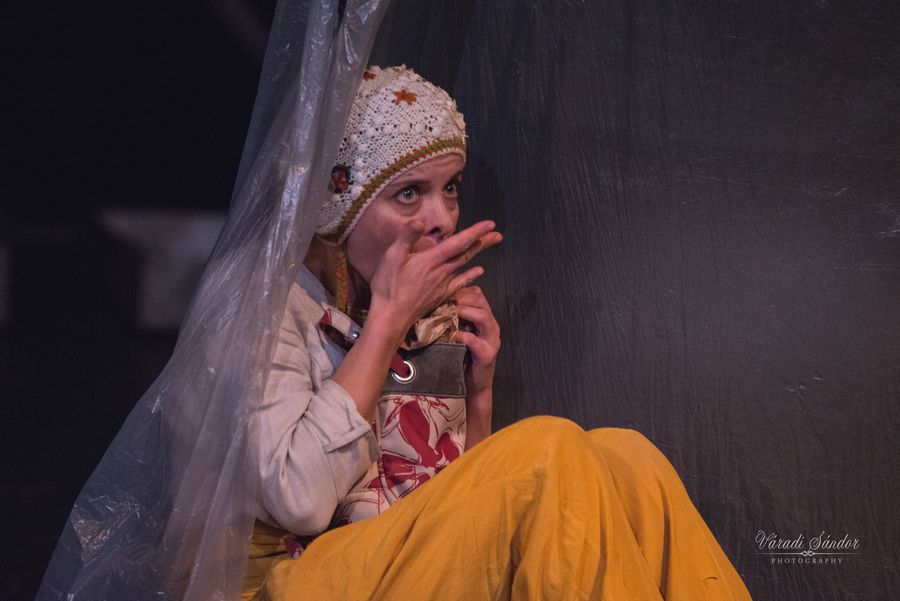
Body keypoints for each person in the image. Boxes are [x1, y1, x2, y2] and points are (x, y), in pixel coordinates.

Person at [241, 65, 753, 601]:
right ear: (342, 207)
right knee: (547, 451)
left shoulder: (417, 307)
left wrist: (478, 394)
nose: (442, 219)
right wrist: (386, 325)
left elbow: (459, 510)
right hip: (301, 578)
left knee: (630, 461)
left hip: (397, 561)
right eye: (409, 193)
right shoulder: (269, 307)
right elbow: (299, 500)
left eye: (450, 188)